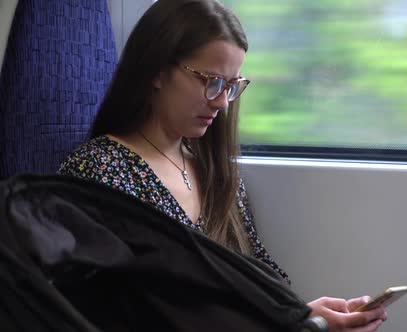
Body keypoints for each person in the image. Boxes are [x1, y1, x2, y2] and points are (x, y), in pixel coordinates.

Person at [58, 0, 387, 330]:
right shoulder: (97, 173)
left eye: (231, 87)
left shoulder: (214, 171)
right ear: (157, 71)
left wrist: (303, 315)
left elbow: (255, 273)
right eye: (210, 81)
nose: (221, 102)